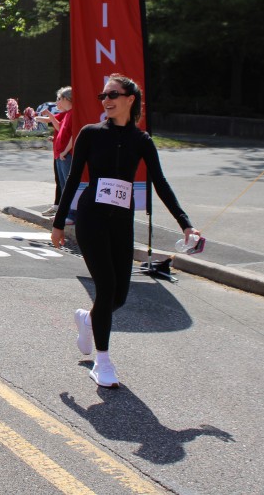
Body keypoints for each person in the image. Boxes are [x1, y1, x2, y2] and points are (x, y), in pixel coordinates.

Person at [50, 74, 199, 389]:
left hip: (120, 222)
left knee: (119, 295)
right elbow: (73, 179)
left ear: (130, 99)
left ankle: (88, 319)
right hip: (91, 219)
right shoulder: (91, 133)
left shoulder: (141, 140)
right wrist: (59, 223)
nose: (106, 100)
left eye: (112, 95)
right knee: (105, 288)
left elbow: (160, 183)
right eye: (103, 96)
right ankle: (103, 362)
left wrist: (185, 223)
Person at [37, 87, 74, 220]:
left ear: (66, 99)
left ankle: (69, 214)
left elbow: (73, 136)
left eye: (60, 98)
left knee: (67, 186)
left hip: (65, 154)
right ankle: (63, 213)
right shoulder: (67, 114)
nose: (58, 101)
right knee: (63, 185)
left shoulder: (72, 114)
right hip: (60, 153)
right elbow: (59, 128)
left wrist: (65, 151)